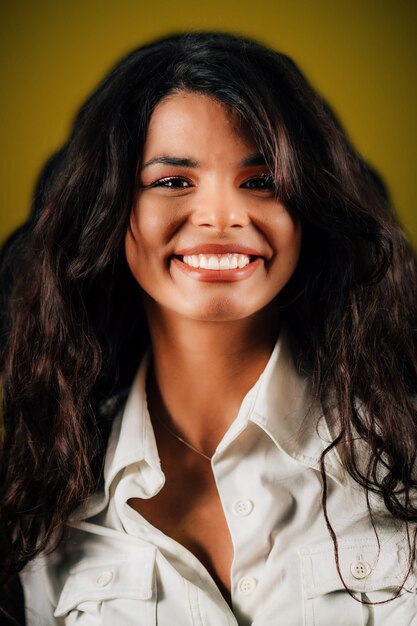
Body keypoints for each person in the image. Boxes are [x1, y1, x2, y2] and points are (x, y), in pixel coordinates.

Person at [1, 31, 416, 626]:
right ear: (111, 212)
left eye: (261, 181)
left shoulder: (401, 451)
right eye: (173, 182)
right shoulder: (41, 496)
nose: (222, 217)